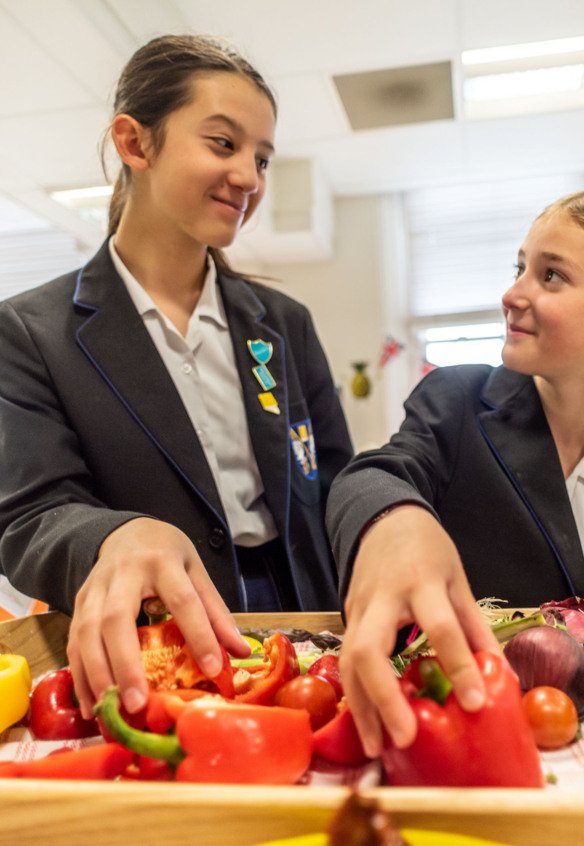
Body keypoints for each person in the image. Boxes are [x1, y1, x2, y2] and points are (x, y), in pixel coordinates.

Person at [0, 34, 352, 720]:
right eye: (223, 144)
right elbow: (30, 519)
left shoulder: (284, 323)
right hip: (150, 649)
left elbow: (333, 478)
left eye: (262, 158)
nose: (250, 177)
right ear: (136, 143)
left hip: (303, 624)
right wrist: (114, 535)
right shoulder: (28, 332)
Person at [326, 188, 584, 756]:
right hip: (465, 730)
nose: (512, 293)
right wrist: (395, 522)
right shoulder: (456, 400)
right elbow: (375, 475)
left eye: (551, 276)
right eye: (520, 267)